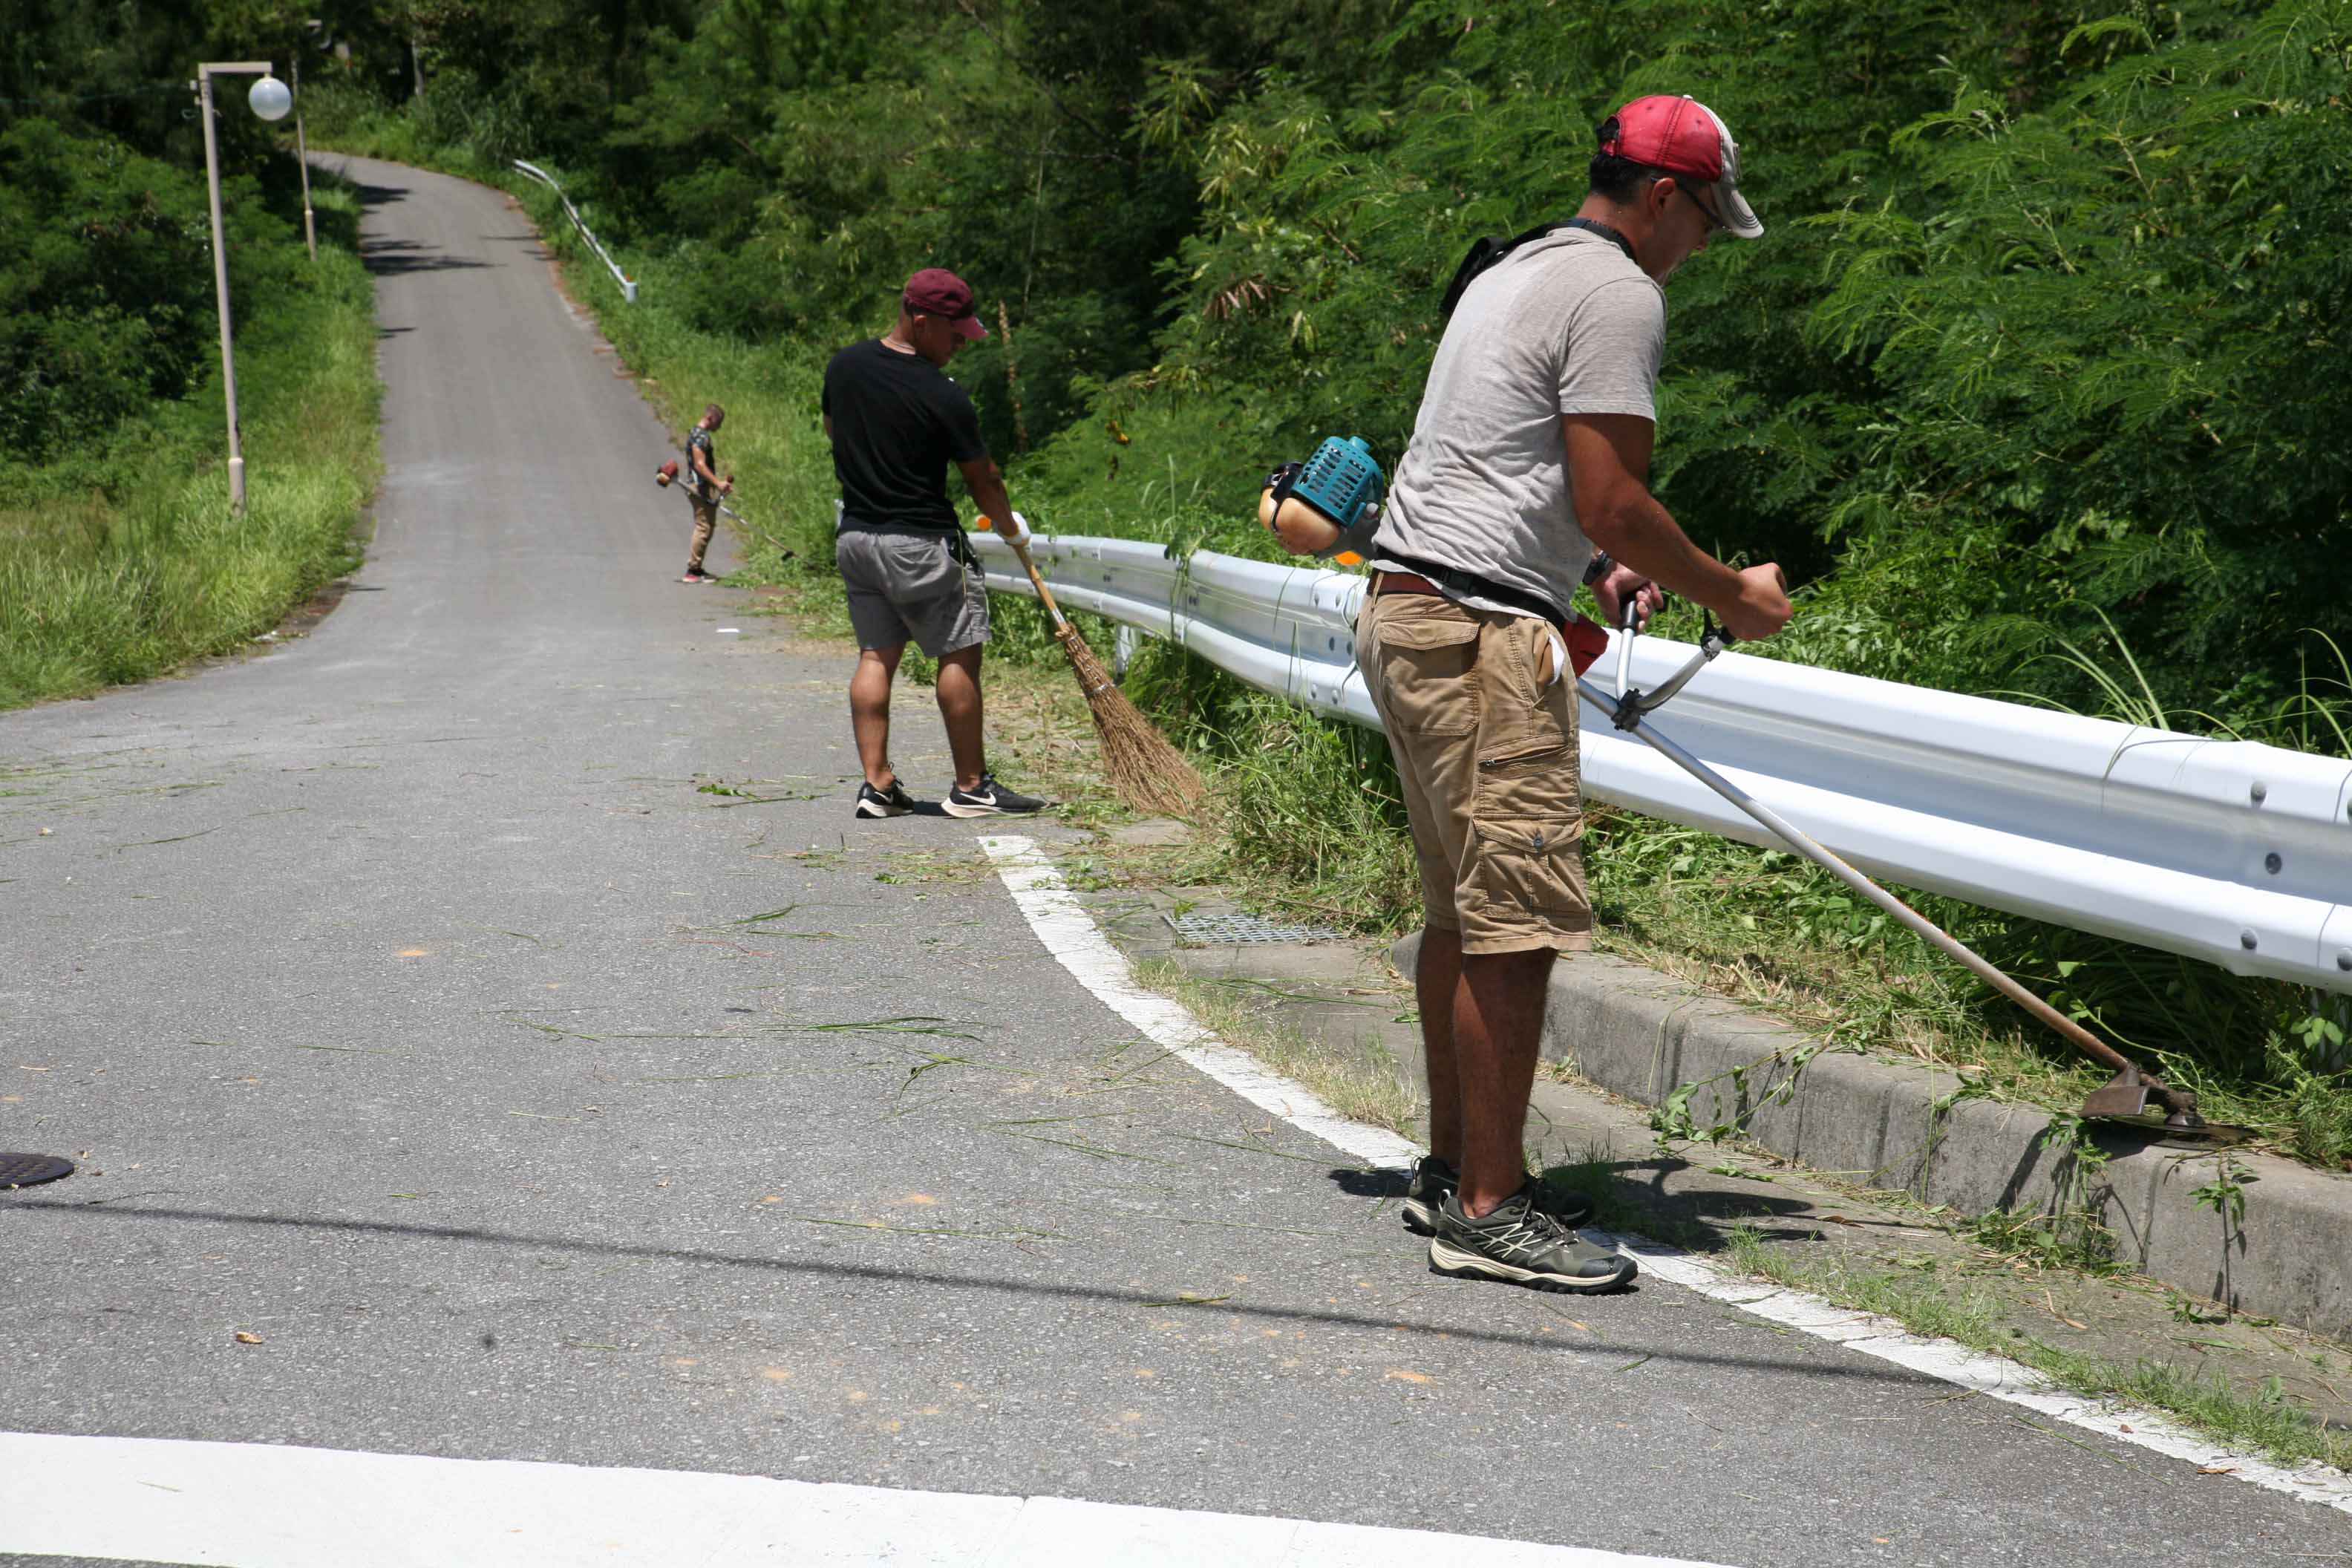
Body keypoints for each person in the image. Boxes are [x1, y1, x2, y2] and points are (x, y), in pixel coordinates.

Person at [1356, 94, 1794, 1294]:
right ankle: (1488, 1207)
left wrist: (1589, 565)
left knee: (1462, 911)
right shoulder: (1616, 293)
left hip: (1411, 605)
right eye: (1704, 221)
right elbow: (1613, 501)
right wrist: (1731, 593)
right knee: (1520, 923)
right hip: (1481, 634)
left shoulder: (1513, 268)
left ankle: (1455, 1170)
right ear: (1664, 196)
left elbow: (1512, 465)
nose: (1699, 247)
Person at [823, 267, 1047, 820]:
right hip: (920, 543)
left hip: (857, 539)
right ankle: (971, 786)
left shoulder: (844, 366)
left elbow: (833, 429)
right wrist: (1010, 528)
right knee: (959, 651)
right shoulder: (942, 395)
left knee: (876, 655)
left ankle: (877, 785)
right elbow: (984, 478)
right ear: (921, 322)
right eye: (953, 334)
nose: (958, 346)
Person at [681, 404, 730, 584]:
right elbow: (700, 465)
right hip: (699, 487)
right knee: (703, 527)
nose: (720, 427)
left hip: (702, 486)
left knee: (707, 526)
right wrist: (718, 483)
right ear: (711, 418)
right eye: (719, 422)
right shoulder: (701, 437)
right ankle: (692, 571)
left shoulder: (696, 433)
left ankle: (697, 568)